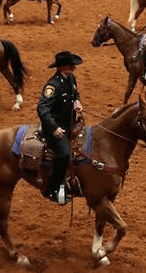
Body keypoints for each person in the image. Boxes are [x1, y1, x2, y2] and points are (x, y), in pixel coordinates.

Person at [37, 50, 84, 205]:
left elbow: (75, 94)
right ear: (63, 67)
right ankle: (54, 188)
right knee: (63, 153)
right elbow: (42, 109)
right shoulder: (53, 85)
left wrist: (77, 102)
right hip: (56, 127)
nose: (74, 68)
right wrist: (54, 128)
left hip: (71, 123)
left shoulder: (71, 79)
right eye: (71, 65)